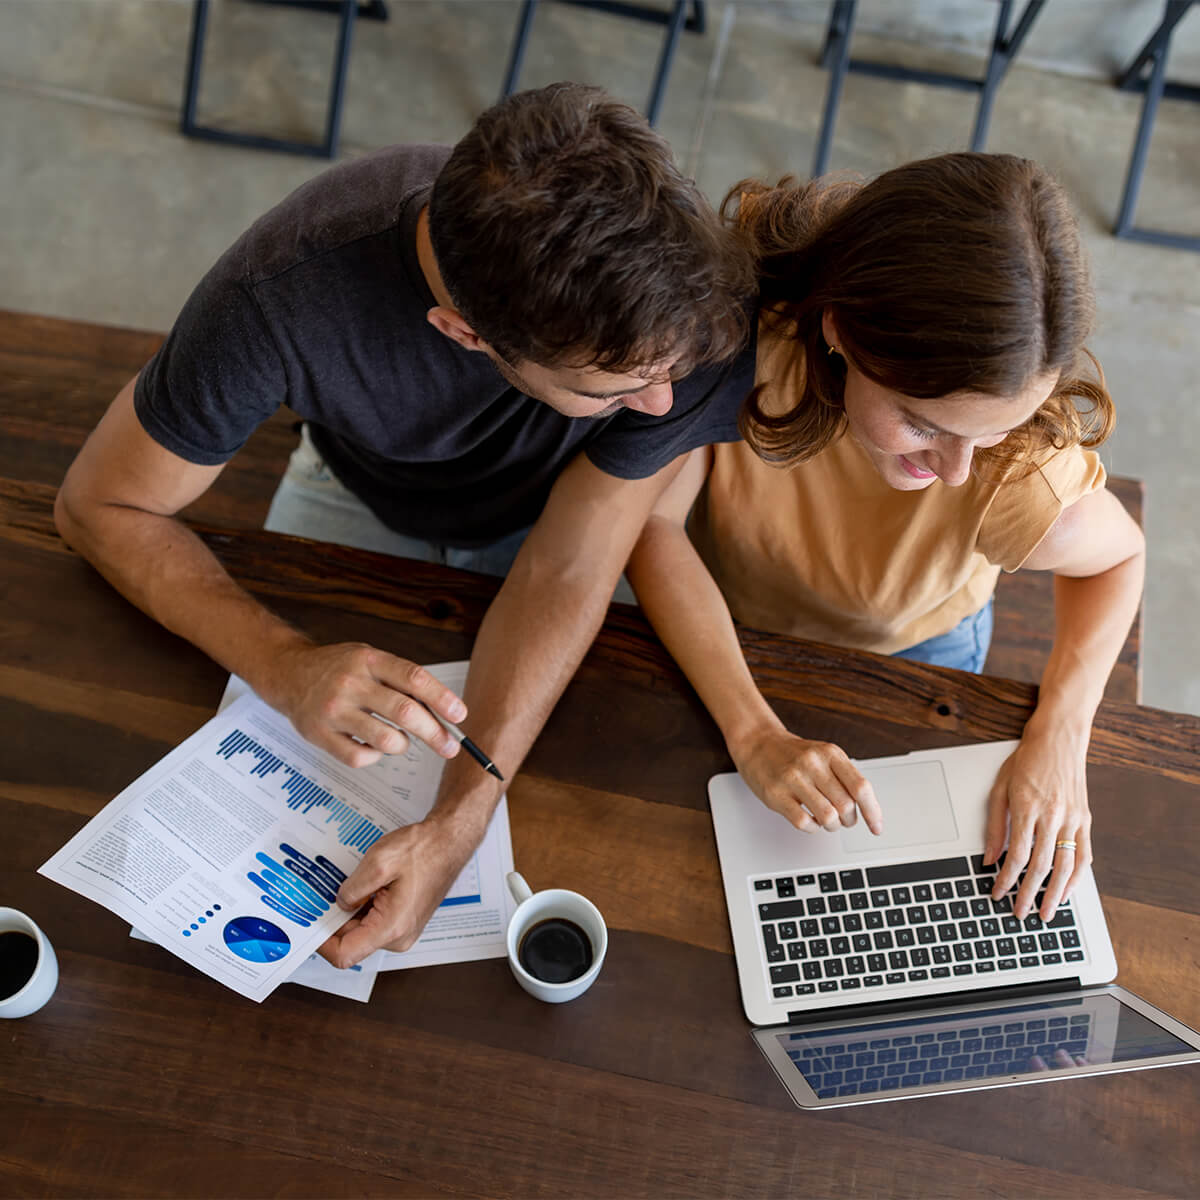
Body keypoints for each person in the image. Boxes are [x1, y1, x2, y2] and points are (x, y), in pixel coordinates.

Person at [54, 83, 756, 967]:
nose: (660, 404)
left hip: (569, 509)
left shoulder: (678, 312)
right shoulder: (281, 295)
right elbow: (96, 506)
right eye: (610, 390)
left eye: (669, 375)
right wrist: (284, 662)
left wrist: (459, 822)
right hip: (357, 489)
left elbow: (567, 568)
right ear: (460, 334)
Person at [626, 153, 1145, 928]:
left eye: (992, 431)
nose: (955, 471)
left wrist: (1062, 735)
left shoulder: (1016, 475)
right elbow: (653, 525)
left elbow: (1119, 557)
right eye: (924, 424)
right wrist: (754, 730)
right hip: (724, 614)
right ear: (839, 329)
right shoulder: (736, 334)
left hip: (918, 652)